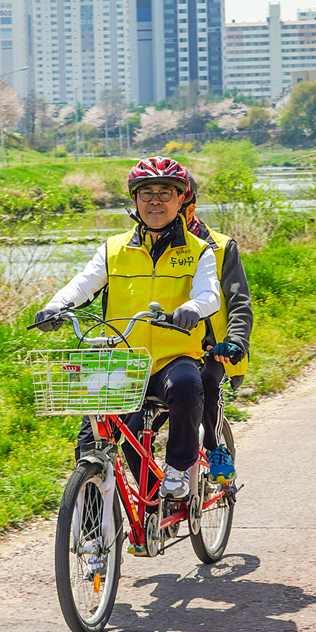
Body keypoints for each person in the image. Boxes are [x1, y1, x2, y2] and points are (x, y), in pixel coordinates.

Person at [34, 156, 220, 499]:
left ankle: (178, 470)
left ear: (181, 200)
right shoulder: (113, 249)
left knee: (187, 387)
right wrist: (56, 306)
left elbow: (210, 294)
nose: (155, 201)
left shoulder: (199, 251)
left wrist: (193, 308)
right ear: (134, 200)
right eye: (146, 193)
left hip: (171, 357)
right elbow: (83, 284)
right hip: (121, 358)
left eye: (166, 193)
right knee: (92, 441)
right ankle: (92, 517)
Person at [180, 169, 252, 486]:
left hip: (213, 349)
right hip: (162, 349)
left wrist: (236, 340)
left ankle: (215, 445)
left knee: (207, 382)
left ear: (189, 209)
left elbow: (239, 302)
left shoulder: (222, 248)